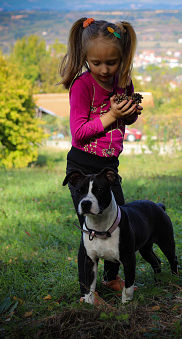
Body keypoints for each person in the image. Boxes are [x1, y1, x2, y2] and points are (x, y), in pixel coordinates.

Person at [58, 17, 142, 298]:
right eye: (96, 63)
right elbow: (79, 132)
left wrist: (128, 114)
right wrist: (112, 115)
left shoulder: (124, 83)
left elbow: (122, 122)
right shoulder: (83, 87)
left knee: (117, 223)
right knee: (91, 228)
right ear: (85, 59)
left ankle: (111, 278)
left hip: (108, 167)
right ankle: (86, 292)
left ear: (122, 57)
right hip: (83, 165)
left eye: (112, 62)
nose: (105, 70)